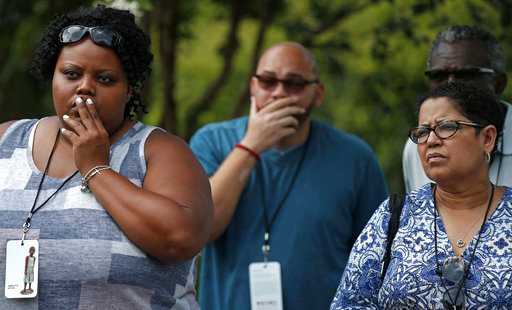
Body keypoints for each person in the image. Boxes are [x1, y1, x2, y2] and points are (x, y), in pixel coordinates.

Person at [0, 4, 213, 309]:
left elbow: (179, 239)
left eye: (105, 79)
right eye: (71, 74)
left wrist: (96, 168)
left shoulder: (158, 151)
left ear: (129, 90)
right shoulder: (7, 141)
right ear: (53, 77)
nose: (85, 87)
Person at [190, 42, 388, 310]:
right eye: (268, 81)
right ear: (253, 86)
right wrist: (250, 146)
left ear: (317, 94)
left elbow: (377, 262)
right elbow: (200, 230)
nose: (278, 93)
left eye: (294, 84)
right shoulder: (212, 142)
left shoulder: (355, 157)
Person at [331, 81, 510, 309]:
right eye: (423, 131)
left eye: (446, 127)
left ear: (487, 138)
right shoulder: (393, 215)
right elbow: (350, 303)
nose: (431, 140)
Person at [403, 25, 512, 192]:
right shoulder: (418, 146)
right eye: (438, 76)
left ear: (498, 84)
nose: (450, 86)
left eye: (465, 76)